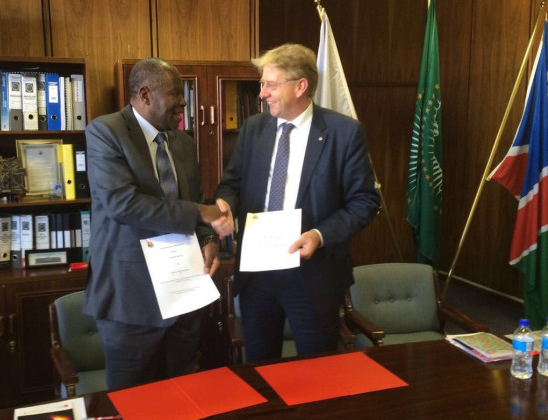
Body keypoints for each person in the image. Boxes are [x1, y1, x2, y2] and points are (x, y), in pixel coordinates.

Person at [215, 43, 380, 362]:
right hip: (258, 275)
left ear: (300, 86)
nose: (262, 93)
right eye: (263, 84)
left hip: (313, 276)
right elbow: (231, 184)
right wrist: (225, 203)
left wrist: (320, 235)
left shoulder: (343, 133)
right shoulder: (253, 129)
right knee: (260, 371)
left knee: (316, 376)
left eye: (271, 84)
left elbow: (365, 201)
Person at [84, 57, 230, 389]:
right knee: (134, 403)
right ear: (146, 95)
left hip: (183, 296)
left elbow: (197, 197)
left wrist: (209, 239)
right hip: (130, 302)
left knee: (182, 396)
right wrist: (198, 213)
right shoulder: (105, 132)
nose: (184, 102)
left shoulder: (182, 140)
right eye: (176, 94)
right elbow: (122, 204)